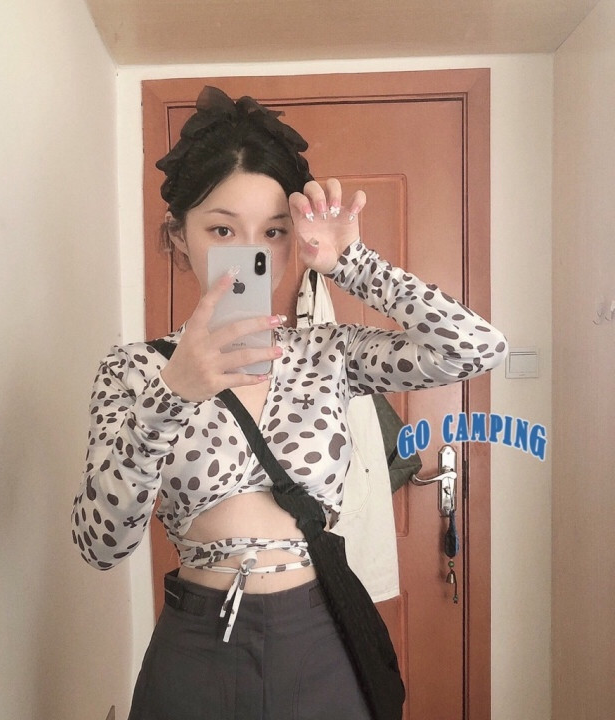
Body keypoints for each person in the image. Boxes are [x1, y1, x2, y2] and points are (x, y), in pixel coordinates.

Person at [71, 86, 508, 720]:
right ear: (178, 236)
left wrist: (352, 262)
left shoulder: (329, 353)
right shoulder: (135, 370)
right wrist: (171, 395)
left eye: (274, 232)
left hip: (320, 637)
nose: (251, 254)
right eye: (222, 229)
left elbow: (476, 347)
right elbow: (101, 545)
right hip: (197, 646)